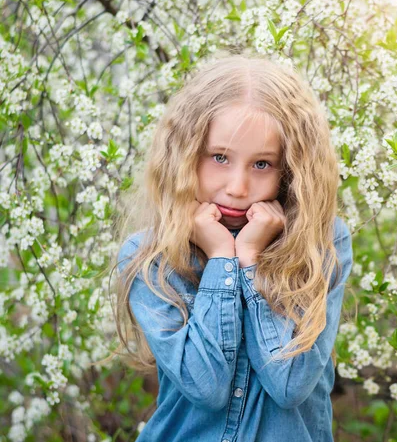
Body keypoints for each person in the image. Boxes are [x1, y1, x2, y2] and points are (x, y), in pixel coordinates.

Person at [112, 52, 353, 442]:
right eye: (220, 157)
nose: (238, 187)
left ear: (290, 170)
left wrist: (251, 262)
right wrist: (222, 258)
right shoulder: (150, 257)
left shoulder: (321, 244)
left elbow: (290, 384)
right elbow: (205, 387)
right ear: (186, 154)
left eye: (262, 164)